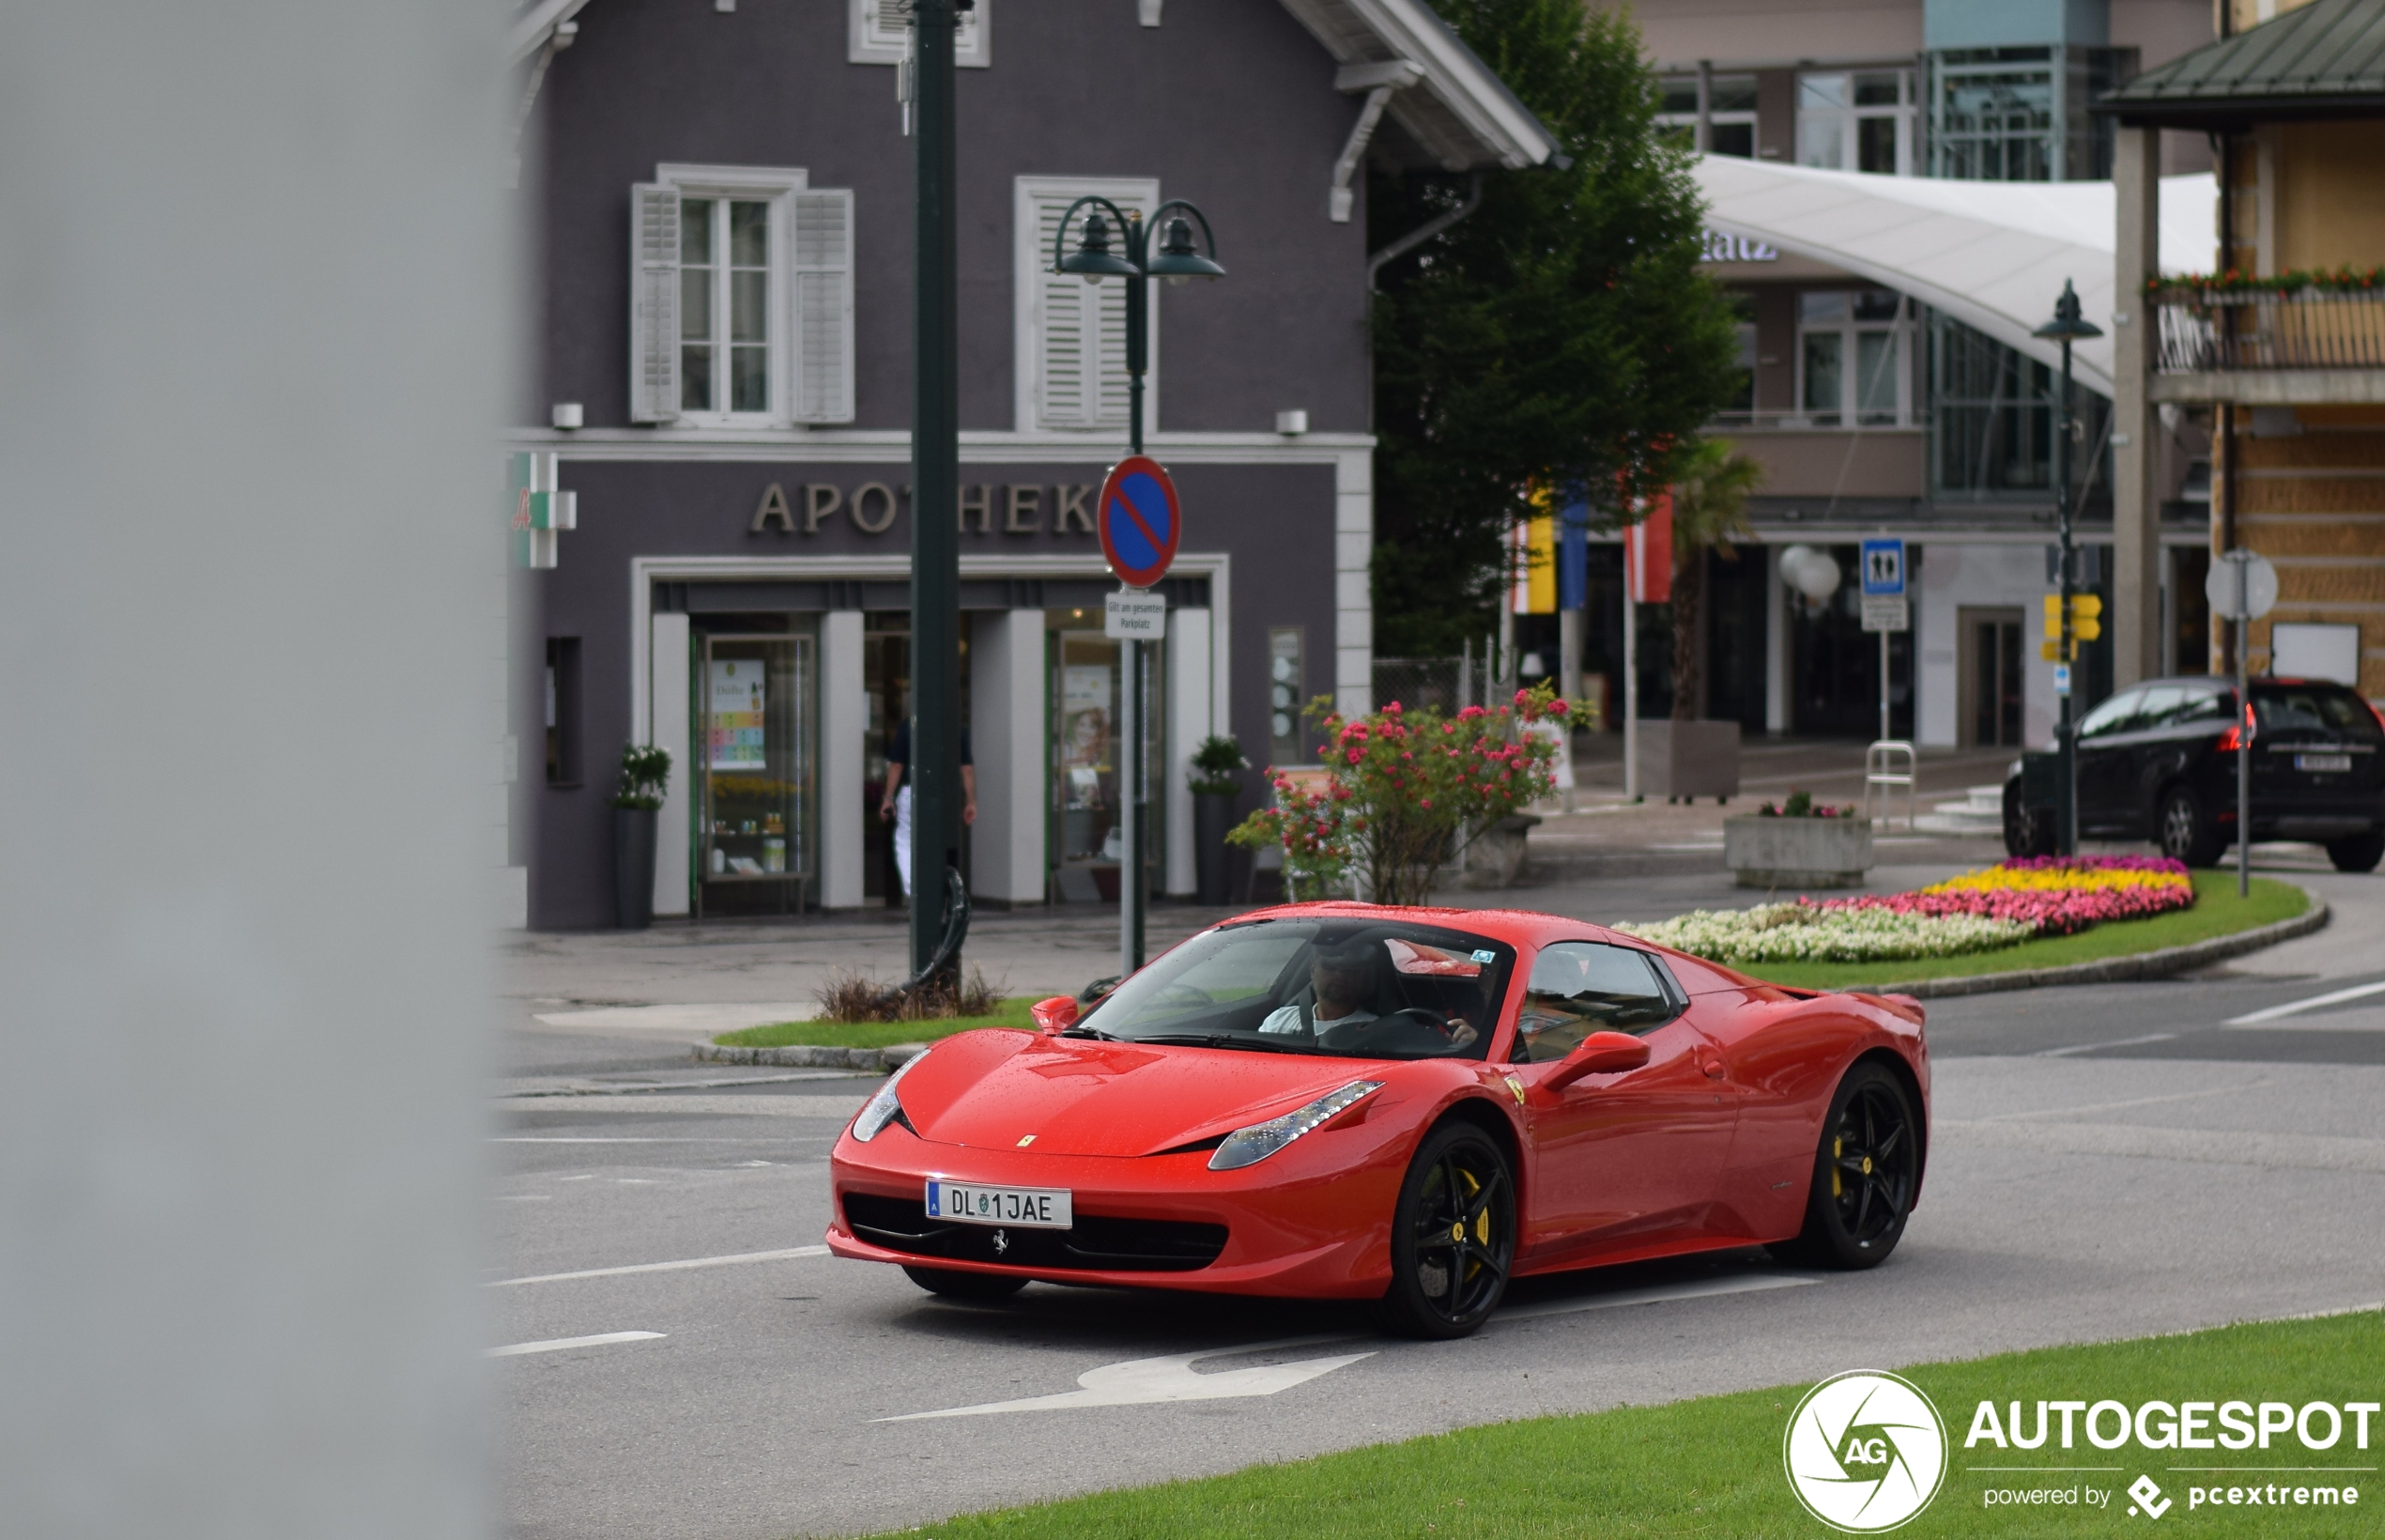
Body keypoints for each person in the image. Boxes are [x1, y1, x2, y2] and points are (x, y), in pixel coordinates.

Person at [1259, 937, 1478, 1047]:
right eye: (1331, 968)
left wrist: (1469, 1044)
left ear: (1364, 977)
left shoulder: (1380, 1032)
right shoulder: (1278, 1022)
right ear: (1313, 969)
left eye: (1351, 970)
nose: (1340, 976)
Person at [878, 717, 976, 900]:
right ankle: (936, 891)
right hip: (944, 793)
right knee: (936, 842)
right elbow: (966, 768)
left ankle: (913, 892)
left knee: (905, 841)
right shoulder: (956, 728)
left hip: (911, 789)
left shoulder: (909, 725)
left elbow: (897, 765)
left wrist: (888, 798)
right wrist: (970, 801)